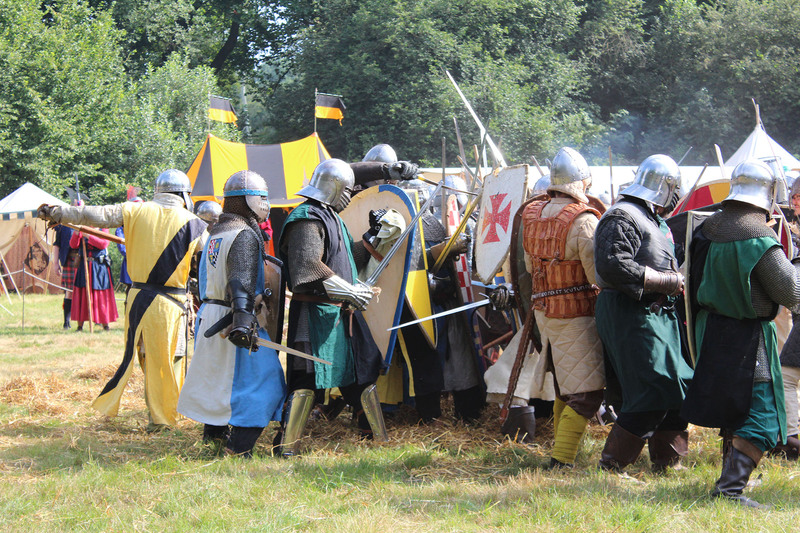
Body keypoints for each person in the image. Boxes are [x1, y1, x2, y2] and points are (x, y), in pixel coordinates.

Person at [38, 169, 207, 431]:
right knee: (170, 359)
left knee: (149, 358)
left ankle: (164, 414)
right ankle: (165, 417)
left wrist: (58, 212)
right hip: (170, 305)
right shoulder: (195, 224)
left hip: (138, 299)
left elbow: (92, 214)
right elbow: (207, 259)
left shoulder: (134, 210)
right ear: (184, 194)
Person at [682, 160, 800, 508]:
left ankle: (729, 479)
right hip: (747, 337)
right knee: (762, 416)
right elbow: (791, 293)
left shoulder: (707, 228)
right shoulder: (758, 236)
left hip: (710, 330)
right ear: (768, 193)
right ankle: (730, 490)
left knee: (732, 408)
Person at [501, 147, 605, 467]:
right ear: (581, 182)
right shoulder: (583, 220)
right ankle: (561, 459)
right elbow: (597, 276)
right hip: (577, 314)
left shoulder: (532, 214)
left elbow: (527, 269)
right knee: (587, 393)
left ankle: (562, 450)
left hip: (544, 312)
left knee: (565, 386)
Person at [277, 158, 388, 454]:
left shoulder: (332, 217)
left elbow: (345, 259)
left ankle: (375, 438)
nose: (350, 197)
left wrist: (373, 237)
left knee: (362, 371)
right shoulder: (306, 217)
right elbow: (308, 267)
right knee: (306, 380)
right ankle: (287, 445)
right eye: (348, 191)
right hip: (314, 314)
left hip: (340, 313)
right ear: (335, 187)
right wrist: (350, 291)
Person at [593, 154, 694, 473]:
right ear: (666, 186)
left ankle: (667, 462)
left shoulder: (652, 217)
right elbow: (611, 264)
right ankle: (612, 466)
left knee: (678, 384)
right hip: (631, 313)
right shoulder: (622, 215)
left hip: (657, 315)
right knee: (652, 389)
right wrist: (665, 281)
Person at [178, 171, 286, 457]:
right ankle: (238, 448)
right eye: (262, 197)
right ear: (247, 200)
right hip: (235, 318)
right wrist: (243, 318)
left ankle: (213, 439)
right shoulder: (244, 235)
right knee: (265, 382)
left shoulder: (216, 233)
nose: (266, 203)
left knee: (218, 381)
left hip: (211, 314)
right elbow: (239, 281)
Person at [69, 226, 118, 331]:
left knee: (101, 295)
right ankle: (80, 326)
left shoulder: (103, 228)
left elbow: (103, 244)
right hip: (84, 265)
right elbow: (73, 245)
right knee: (83, 293)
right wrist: (77, 233)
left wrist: (88, 235)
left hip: (99, 266)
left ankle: (105, 325)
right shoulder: (82, 227)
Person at [51, 205, 79, 329]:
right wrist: (55, 263)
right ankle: (66, 322)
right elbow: (57, 244)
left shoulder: (85, 222)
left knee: (85, 291)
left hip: (83, 260)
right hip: (69, 260)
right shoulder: (63, 224)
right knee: (69, 292)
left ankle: (91, 320)